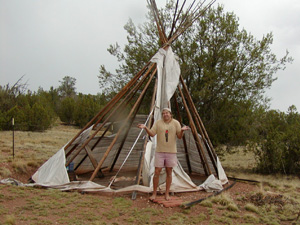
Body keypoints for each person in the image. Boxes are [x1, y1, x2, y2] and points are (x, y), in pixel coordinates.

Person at [137, 108, 189, 201]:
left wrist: (182, 130)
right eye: (163, 113)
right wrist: (145, 128)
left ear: (170, 114)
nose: (165, 114)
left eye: (167, 113)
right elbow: (152, 134)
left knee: (169, 172)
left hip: (171, 151)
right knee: (157, 172)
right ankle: (154, 193)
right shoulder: (158, 123)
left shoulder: (176, 123)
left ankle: (167, 193)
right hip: (160, 151)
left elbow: (179, 137)